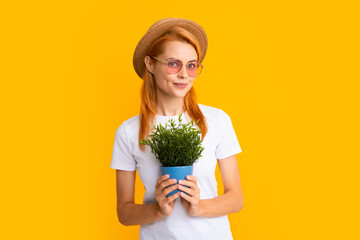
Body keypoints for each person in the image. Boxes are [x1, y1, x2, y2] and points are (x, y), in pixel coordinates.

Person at [110, 17, 244, 240]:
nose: (184, 74)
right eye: (173, 63)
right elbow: (124, 212)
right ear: (150, 64)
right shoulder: (128, 131)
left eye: (191, 65)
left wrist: (198, 207)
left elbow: (235, 197)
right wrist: (158, 209)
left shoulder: (217, 120)